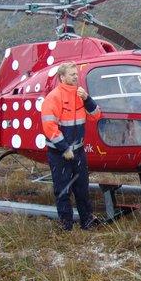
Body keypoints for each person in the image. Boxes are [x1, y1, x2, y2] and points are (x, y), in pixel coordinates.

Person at [41, 62, 101, 230]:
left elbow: (96, 115)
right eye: (72, 74)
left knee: (82, 188)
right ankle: (65, 225)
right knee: (63, 190)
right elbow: (49, 127)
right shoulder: (53, 97)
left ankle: (87, 221)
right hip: (59, 154)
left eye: (76, 74)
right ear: (62, 77)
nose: (76, 77)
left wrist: (87, 99)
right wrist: (64, 148)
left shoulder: (80, 95)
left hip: (78, 152)